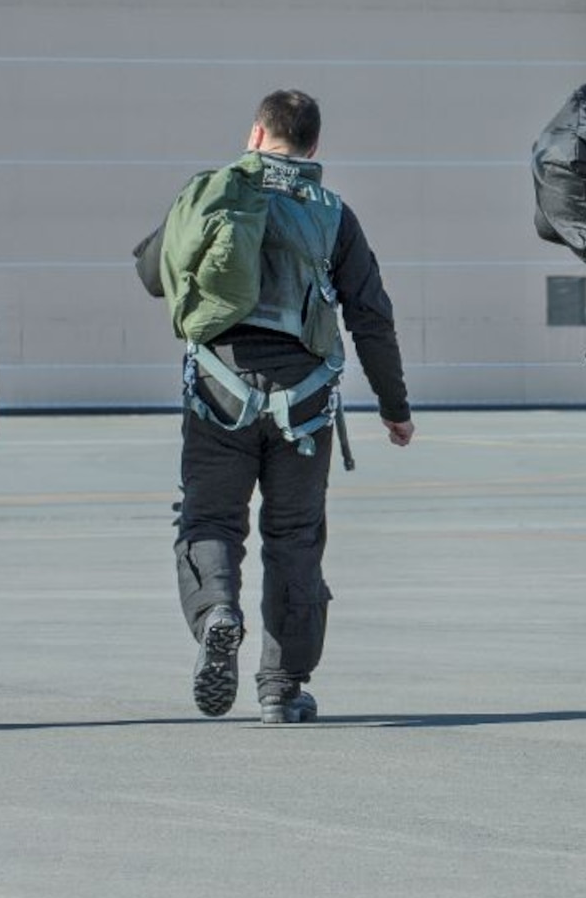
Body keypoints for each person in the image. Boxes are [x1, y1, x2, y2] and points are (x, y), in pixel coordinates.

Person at [134, 89, 414, 725]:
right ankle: (281, 690)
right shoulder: (333, 214)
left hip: (217, 389)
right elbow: (372, 316)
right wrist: (394, 406)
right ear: (314, 147)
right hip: (305, 404)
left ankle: (217, 614)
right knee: (295, 538)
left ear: (255, 134)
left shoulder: (212, 191)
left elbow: (152, 273)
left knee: (209, 520)